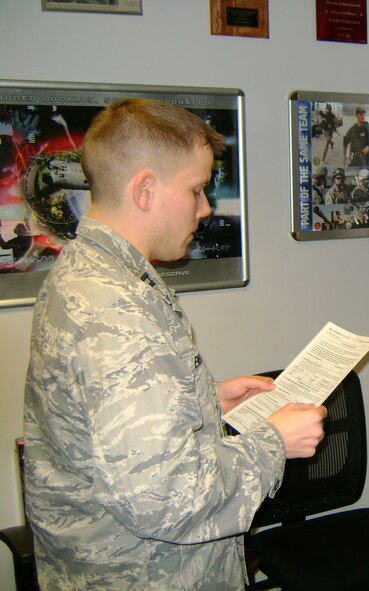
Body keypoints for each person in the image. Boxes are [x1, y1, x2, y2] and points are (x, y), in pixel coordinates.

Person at [23, 98, 328, 591]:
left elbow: (106, 421)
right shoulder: (116, 311)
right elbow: (164, 495)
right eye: (197, 189)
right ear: (145, 190)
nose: (206, 208)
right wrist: (275, 441)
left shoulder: (88, 272)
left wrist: (209, 397)